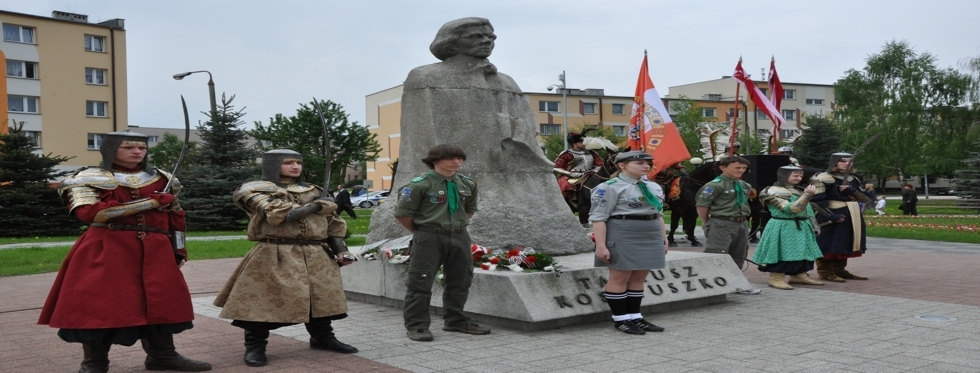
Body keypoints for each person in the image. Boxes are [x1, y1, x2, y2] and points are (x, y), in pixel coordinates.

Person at [39, 131, 212, 372]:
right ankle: (94, 364)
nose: (137, 152)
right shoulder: (87, 177)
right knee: (101, 305)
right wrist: (152, 202)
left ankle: (163, 356)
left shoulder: (163, 178)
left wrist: (179, 248)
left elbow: (176, 216)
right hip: (107, 246)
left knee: (160, 301)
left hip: (156, 248)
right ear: (110, 150)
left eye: (142, 147)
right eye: (129, 147)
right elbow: (91, 213)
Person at [214, 149, 358, 367]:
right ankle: (255, 346)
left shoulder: (314, 189)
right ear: (272, 165)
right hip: (275, 252)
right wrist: (318, 205)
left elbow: (333, 224)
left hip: (316, 253)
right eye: (288, 162)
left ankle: (322, 338)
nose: (295, 167)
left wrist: (341, 250)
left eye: (298, 162)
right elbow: (278, 214)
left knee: (320, 298)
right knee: (263, 302)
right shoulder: (252, 190)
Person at [393, 144, 489, 342]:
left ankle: (455, 320)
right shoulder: (419, 185)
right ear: (435, 160)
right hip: (429, 237)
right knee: (420, 281)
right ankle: (417, 326)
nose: (457, 162)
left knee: (461, 279)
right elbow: (403, 214)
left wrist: (454, 227)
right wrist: (424, 231)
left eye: (460, 158)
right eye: (452, 158)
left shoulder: (468, 183)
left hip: (459, 236)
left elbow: (468, 210)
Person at [589, 151, 669, 335]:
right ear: (622, 165)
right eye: (639, 162)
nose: (646, 166)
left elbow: (658, 214)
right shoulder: (609, 187)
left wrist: (663, 239)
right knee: (620, 277)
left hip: (650, 232)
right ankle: (621, 319)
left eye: (648, 163)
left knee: (639, 277)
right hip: (623, 231)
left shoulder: (654, 186)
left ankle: (635, 316)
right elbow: (599, 218)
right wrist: (601, 246)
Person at [695, 155, 761, 295]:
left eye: (743, 168)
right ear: (723, 167)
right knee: (717, 254)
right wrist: (706, 222)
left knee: (739, 255)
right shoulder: (714, 185)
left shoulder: (744, 185)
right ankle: (712, 286)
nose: (741, 170)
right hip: (722, 222)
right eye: (737, 167)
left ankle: (737, 284)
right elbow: (702, 205)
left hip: (741, 223)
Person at [752, 166, 825, 290]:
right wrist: (807, 195)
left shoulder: (799, 190)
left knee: (804, 251)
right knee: (783, 252)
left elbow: (808, 209)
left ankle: (799, 275)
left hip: (802, 225)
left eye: (800, 176)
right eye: (795, 175)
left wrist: (814, 225)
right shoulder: (772, 191)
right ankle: (776, 278)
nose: (799, 178)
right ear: (783, 175)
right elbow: (792, 209)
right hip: (783, 225)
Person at [809, 152, 872, 282]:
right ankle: (825, 271)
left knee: (845, 242)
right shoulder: (822, 178)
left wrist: (851, 191)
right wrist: (831, 216)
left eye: (849, 161)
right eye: (842, 161)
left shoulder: (853, 179)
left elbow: (866, 199)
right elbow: (815, 201)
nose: (847, 164)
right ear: (834, 163)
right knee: (829, 243)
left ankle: (839, 270)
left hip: (851, 214)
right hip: (831, 214)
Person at [553, 132, 604, 199]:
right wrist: (571, 174)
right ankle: (562, 203)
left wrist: (594, 171)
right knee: (564, 185)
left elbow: (601, 164)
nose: (584, 143)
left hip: (591, 174)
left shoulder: (592, 153)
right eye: (581, 141)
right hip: (571, 176)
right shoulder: (566, 154)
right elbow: (556, 167)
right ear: (574, 143)